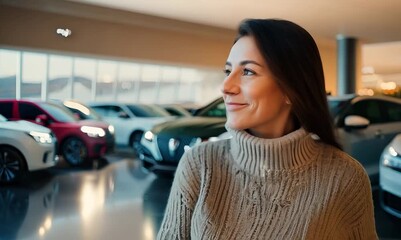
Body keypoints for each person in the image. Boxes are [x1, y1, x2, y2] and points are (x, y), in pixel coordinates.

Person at [157, 18, 378, 239]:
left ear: (291, 89)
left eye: (248, 72)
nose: (226, 86)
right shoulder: (200, 164)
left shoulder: (346, 178)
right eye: (228, 71)